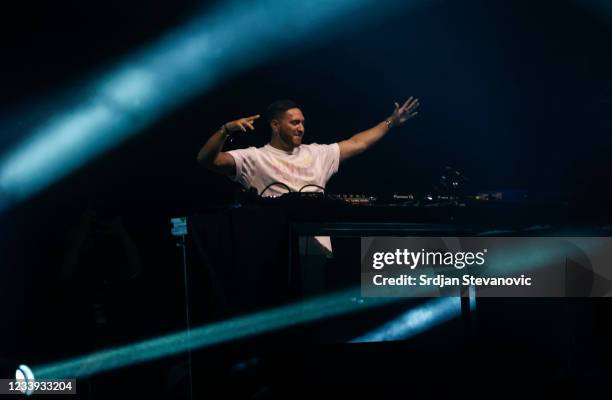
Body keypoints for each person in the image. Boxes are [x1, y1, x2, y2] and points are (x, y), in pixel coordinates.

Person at [196, 98, 420, 196]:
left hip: (315, 247)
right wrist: (225, 130)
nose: (301, 128)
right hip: (273, 245)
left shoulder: (317, 153)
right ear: (275, 125)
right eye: (294, 122)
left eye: (302, 123)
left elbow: (358, 142)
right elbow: (207, 161)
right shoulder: (254, 158)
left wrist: (391, 122)